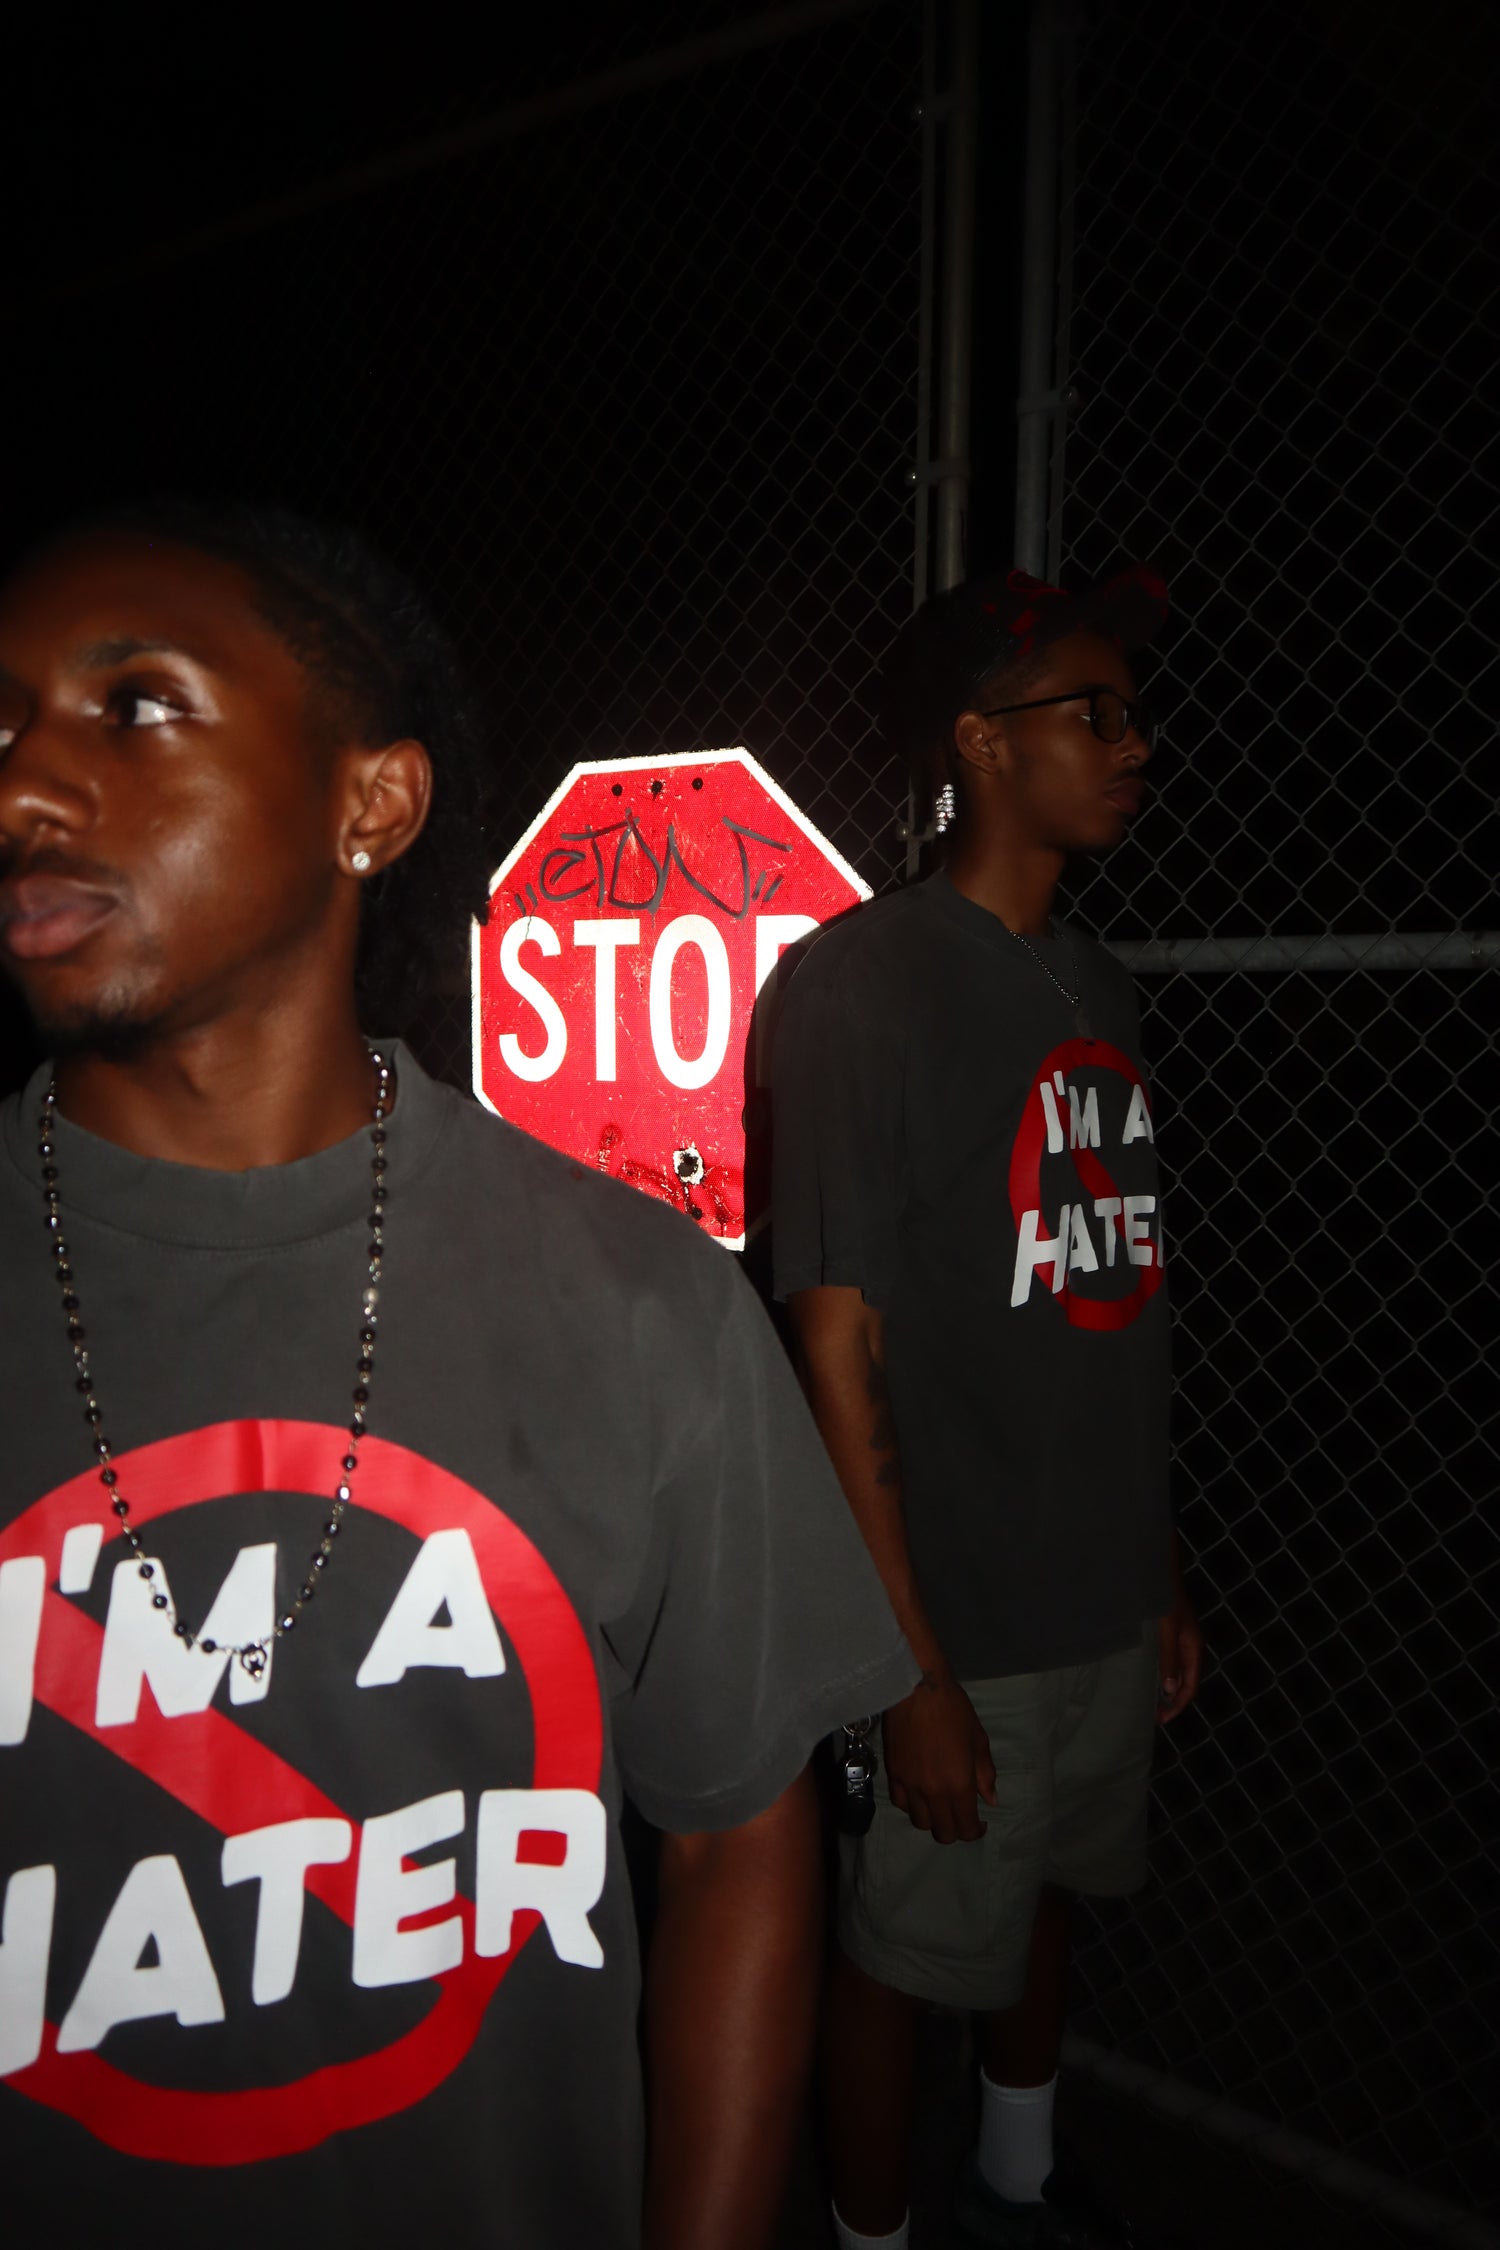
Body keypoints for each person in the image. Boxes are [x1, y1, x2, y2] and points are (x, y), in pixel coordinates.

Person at [0, 501, 917, 2250]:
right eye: (3, 727)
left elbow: (738, 1835)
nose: (27, 786)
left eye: (136, 706)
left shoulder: (639, 1302)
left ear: (373, 806)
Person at [771, 566, 1203, 2250]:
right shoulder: (859, 982)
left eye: (1131, 711)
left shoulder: (1102, 980)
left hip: (1096, 1590)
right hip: (956, 1610)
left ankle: (1019, 2182)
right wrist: (911, 1668)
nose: (1135, 743)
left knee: (1043, 1900)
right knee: (895, 1951)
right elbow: (836, 1340)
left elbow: (1116, 1312)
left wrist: (1157, 1568)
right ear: (981, 741)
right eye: (1095, 712)